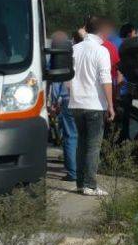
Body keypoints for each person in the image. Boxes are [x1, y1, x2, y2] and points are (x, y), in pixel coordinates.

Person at [70, 16, 115, 196]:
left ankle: (80, 183)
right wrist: (111, 105)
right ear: (102, 31)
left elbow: (68, 77)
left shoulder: (74, 49)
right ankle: (90, 185)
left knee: (81, 143)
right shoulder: (101, 51)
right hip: (94, 104)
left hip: (76, 103)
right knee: (93, 146)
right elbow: (106, 78)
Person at [48, 31, 77, 182]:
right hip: (88, 101)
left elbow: (56, 80)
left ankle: (73, 172)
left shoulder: (61, 57)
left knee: (70, 136)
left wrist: (54, 103)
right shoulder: (93, 51)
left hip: (67, 99)